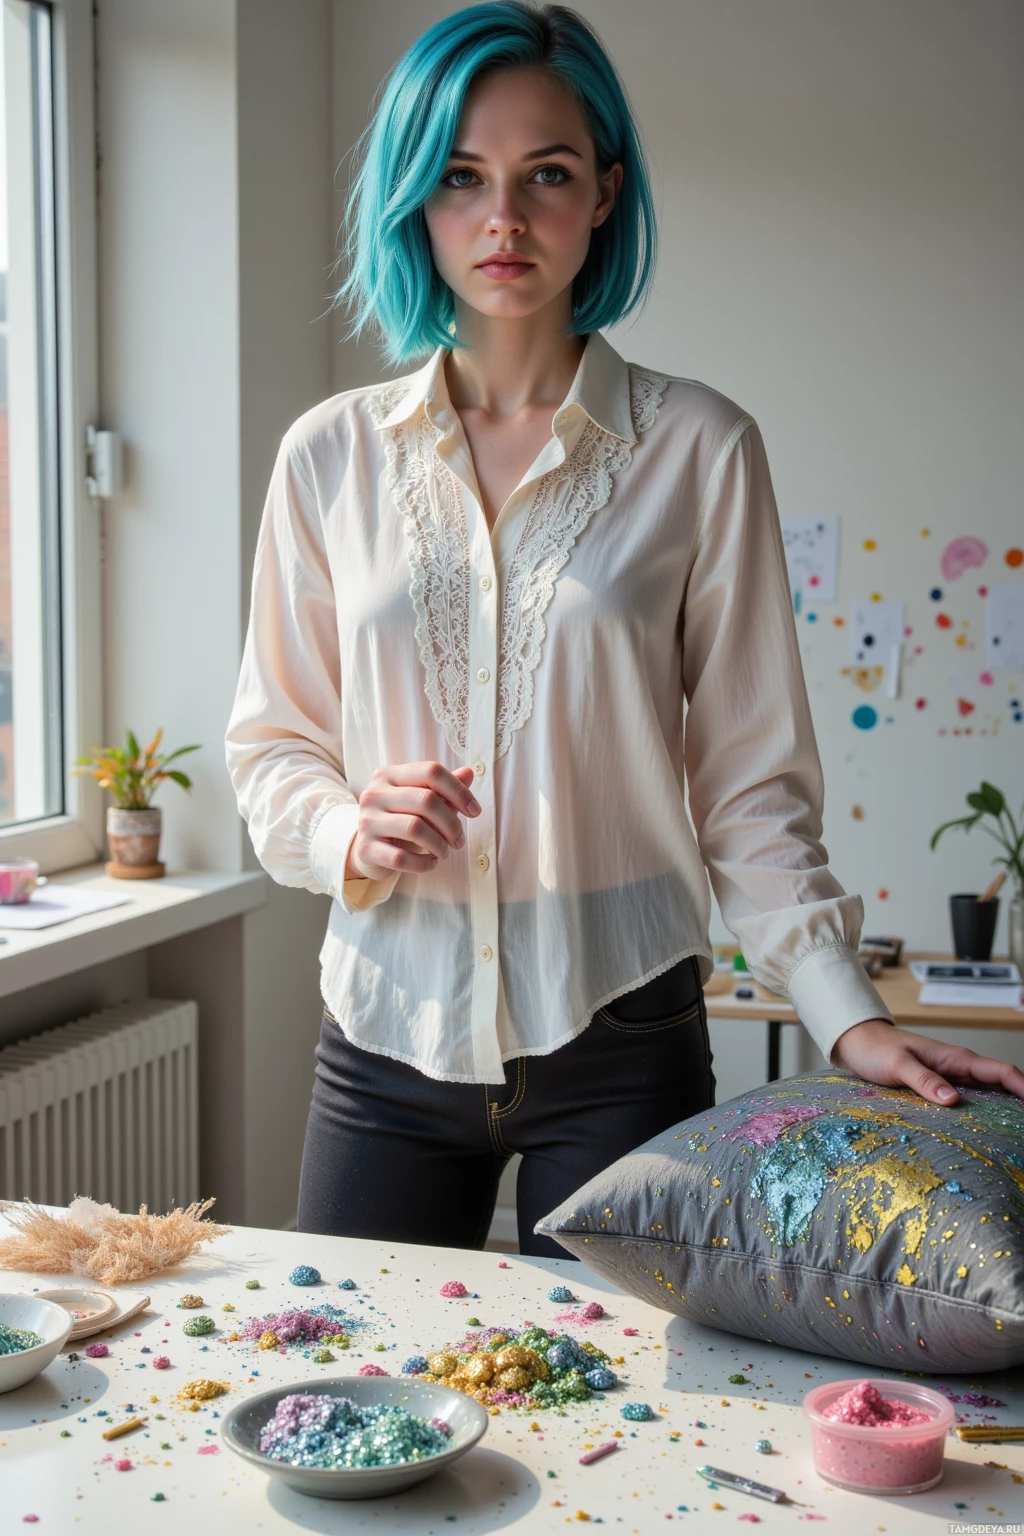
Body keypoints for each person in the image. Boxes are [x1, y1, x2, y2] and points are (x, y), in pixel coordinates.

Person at [224, 1, 1024, 1258]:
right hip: (385, 1032)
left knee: (612, 1430)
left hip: (624, 1043)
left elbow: (752, 788)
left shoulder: (702, 448)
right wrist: (344, 825)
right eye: (460, 178)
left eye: (544, 175)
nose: (501, 220)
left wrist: (843, 1014)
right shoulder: (327, 458)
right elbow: (270, 747)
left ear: (602, 193)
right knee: (356, 1388)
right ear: (413, 202)